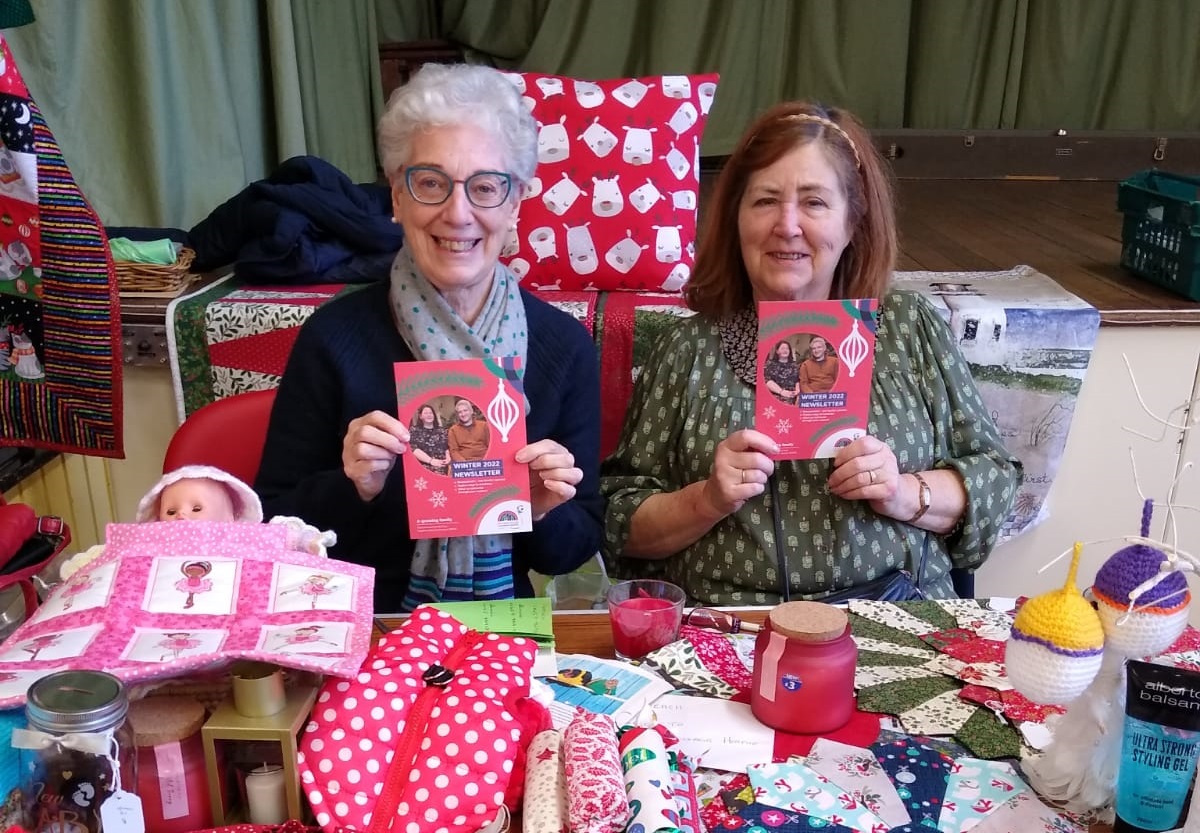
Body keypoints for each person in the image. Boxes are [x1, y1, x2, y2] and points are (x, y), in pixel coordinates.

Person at [601, 101, 1022, 605]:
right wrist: (707, 499)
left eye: (814, 203)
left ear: (853, 223)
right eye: (764, 201)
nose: (787, 224)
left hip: (893, 616)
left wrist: (903, 492)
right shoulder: (688, 349)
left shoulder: (911, 329)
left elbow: (994, 482)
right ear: (736, 219)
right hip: (732, 630)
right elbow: (620, 522)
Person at [255, 63, 603, 613]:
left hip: (504, 627)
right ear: (397, 196)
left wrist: (541, 508)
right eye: (431, 183)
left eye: (486, 187)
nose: (458, 213)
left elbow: (576, 545)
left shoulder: (562, 347)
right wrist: (353, 489)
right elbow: (271, 526)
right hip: (367, 626)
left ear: (514, 205)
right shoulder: (333, 340)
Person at [409, 404, 451, 474]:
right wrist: (431, 461)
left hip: (442, 466)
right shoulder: (414, 430)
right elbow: (413, 449)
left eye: (431, 413)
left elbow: (447, 447)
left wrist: (448, 458)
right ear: (420, 416)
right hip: (424, 466)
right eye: (425, 413)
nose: (429, 415)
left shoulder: (442, 431)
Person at [447, 398, 491, 462]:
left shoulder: (484, 425)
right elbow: (454, 451)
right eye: (460, 412)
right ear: (458, 415)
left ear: (471, 411)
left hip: (484, 461)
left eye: (465, 410)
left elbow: (490, 445)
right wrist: (465, 464)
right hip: (465, 464)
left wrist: (486, 460)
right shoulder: (453, 430)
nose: (463, 414)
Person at [762, 339, 800, 404]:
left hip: (792, 395)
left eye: (787, 348)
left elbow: (797, 381)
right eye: (782, 348)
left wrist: (797, 391)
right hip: (776, 394)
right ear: (777, 351)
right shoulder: (770, 364)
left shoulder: (794, 365)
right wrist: (782, 392)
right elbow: (767, 381)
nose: (785, 350)